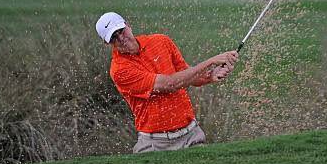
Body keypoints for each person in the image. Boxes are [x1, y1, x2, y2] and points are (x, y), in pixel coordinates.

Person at [95, 11, 238, 153]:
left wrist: (209, 76)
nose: (121, 38)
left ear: (128, 25)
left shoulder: (161, 41)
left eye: (121, 31)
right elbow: (169, 85)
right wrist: (211, 61)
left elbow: (187, 75)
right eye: (113, 37)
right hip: (155, 144)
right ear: (107, 43)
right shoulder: (120, 70)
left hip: (191, 135)